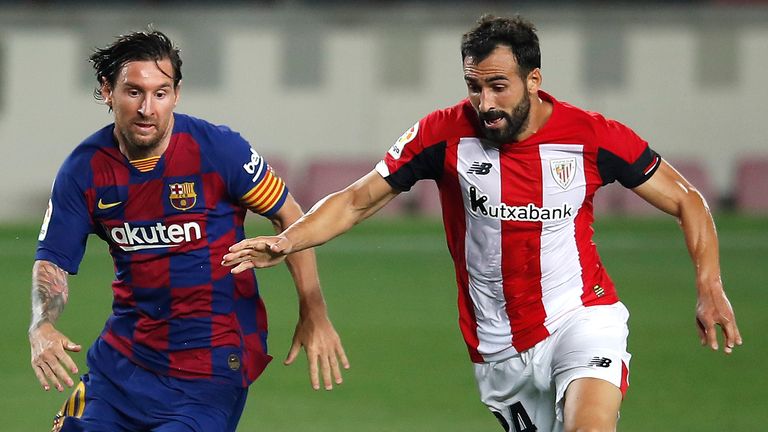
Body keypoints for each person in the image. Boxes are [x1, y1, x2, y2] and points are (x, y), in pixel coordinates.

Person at [222, 14, 743, 432]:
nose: (485, 103)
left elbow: (687, 200)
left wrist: (709, 285)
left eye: (498, 86)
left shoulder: (591, 136)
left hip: (581, 318)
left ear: (534, 81)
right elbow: (357, 200)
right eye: (474, 86)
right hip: (498, 348)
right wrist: (289, 240)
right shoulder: (443, 133)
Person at [29, 29, 349, 432]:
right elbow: (53, 260)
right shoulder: (84, 169)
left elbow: (290, 216)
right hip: (122, 364)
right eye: (134, 92)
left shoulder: (219, 150)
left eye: (160, 93)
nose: (148, 108)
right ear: (107, 91)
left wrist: (313, 309)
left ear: (176, 94)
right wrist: (41, 324)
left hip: (210, 367)